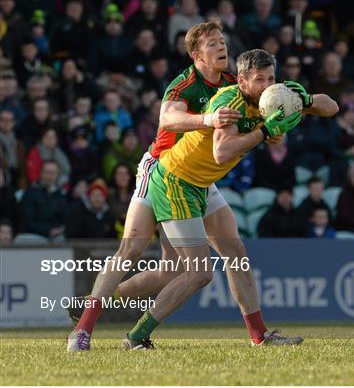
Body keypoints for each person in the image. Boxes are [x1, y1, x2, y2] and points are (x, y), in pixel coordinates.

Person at [67, 29, 337, 351]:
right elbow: (176, 124)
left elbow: (327, 107)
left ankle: (260, 335)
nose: (222, 46)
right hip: (165, 170)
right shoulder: (199, 87)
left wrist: (301, 102)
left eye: (223, 42)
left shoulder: (249, 89)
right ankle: (95, 329)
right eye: (213, 44)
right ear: (198, 56)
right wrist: (242, 127)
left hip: (200, 179)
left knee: (218, 260)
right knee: (152, 257)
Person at [20, 160, 67, 240]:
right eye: (46, 172)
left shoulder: (60, 195)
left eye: (53, 173)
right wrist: (48, 230)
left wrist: (60, 229)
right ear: (40, 173)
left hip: (57, 235)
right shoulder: (30, 193)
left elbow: (65, 218)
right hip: (34, 236)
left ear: (57, 175)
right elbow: (27, 221)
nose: (49, 176)